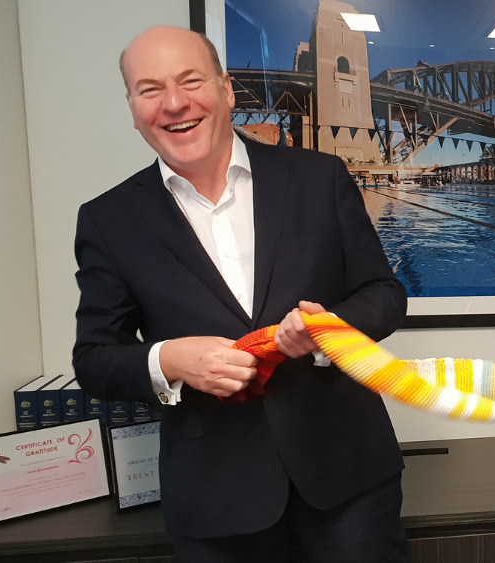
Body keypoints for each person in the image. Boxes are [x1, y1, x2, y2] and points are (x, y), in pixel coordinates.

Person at [72, 26, 407, 562]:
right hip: (215, 496)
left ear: (227, 90)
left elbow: (384, 293)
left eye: (190, 81)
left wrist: (328, 334)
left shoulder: (319, 177)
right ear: (133, 107)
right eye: (150, 89)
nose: (175, 103)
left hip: (347, 477)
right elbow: (93, 359)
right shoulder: (108, 220)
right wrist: (171, 360)